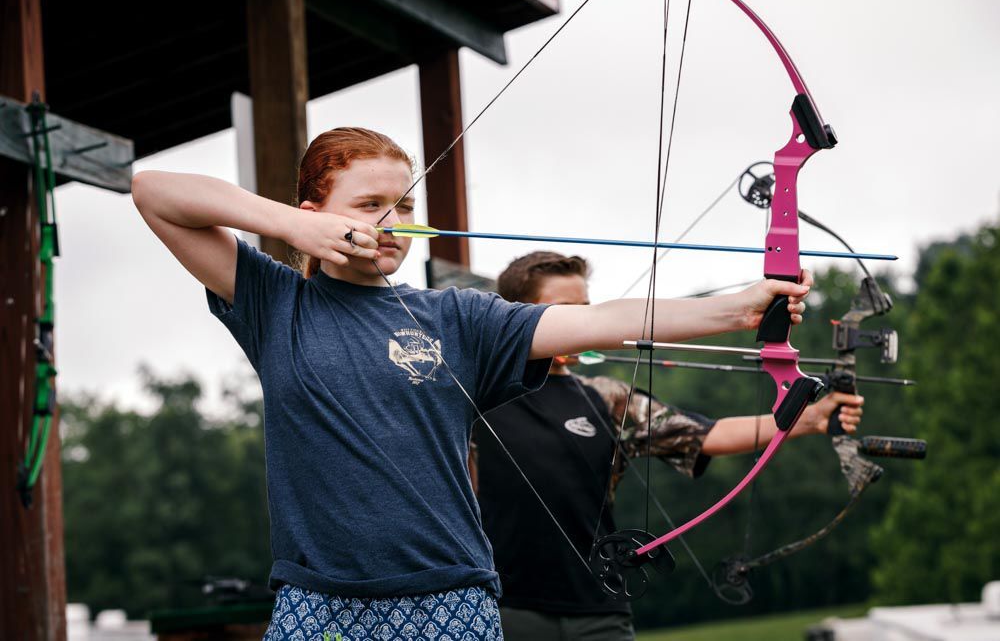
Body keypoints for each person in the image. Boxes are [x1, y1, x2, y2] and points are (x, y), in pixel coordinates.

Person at [130, 127, 813, 641]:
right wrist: (292, 227)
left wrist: (738, 307)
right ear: (317, 210)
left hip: (447, 597)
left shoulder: (457, 318)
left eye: (404, 205)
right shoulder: (276, 305)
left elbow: (602, 320)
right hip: (318, 601)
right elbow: (154, 192)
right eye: (370, 205)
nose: (392, 223)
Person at [473, 251, 863, 641]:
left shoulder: (606, 398)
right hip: (503, 608)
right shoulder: (474, 395)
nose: (579, 321)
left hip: (598, 607)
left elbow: (706, 435)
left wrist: (810, 418)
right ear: (516, 315)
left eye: (585, 309)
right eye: (563, 311)